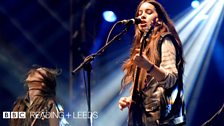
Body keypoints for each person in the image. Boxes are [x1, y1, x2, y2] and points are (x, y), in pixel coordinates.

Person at [118, 0, 186, 126]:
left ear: (159, 20)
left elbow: (171, 79)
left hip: (163, 120)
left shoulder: (165, 40)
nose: (142, 16)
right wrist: (132, 100)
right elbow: (148, 89)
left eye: (148, 12)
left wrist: (148, 66)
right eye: (140, 13)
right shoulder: (143, 47)